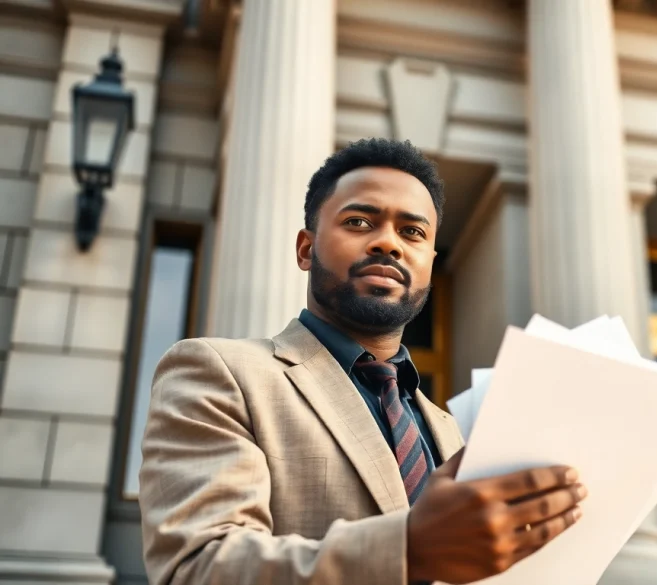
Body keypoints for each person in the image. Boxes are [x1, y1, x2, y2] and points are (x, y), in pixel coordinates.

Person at [138, 138, 588, 585]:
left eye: (412, 232)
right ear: (305, 249)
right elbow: (198, 568)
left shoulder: (457, 430)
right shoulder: (220, 373)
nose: (388, 244)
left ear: (429, 263)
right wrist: (410, 550)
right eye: (359, 221)